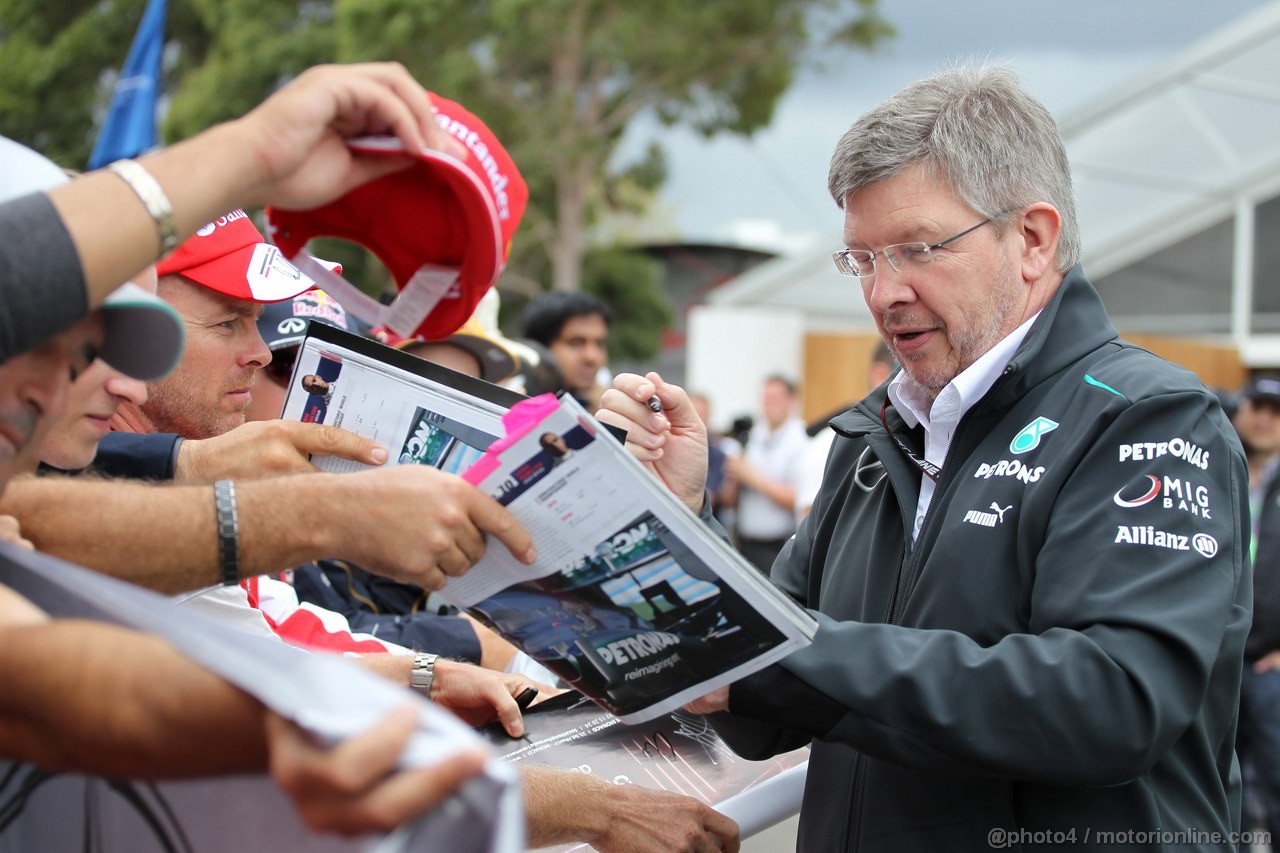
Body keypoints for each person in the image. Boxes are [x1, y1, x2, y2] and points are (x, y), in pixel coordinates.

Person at [598, 65, 1249, 850]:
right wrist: (682, 518)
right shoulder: (874, 435)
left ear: (1033, 240)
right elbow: (760, 717)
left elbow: (1110, 701)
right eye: (863, 259)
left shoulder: (1147, 418)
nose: (884, 293)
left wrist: (779, 664)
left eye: (915, 248)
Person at [1234, 375, 1280, 841]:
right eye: (1258, 407)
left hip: (1271, 667)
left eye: (1276, 411)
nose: (1266, 419)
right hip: (1213, 662)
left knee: (1275, 776)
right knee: (1226, 784)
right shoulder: (1205, 469)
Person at [724, 375, 808, 574]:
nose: (768, 406)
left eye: (774, 399)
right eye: (765, 400)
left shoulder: (802, 441)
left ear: (791, 401)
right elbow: (730, 499)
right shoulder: (753, 437)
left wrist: (751, 477)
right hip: (745, 543)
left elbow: (799, 499)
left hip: (778, 545)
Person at [519, 291, 611, 409]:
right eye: (576, 343)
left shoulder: (603, 409)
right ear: (540, 347)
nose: (592, 357)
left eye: (599, 344)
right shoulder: (513, 404)